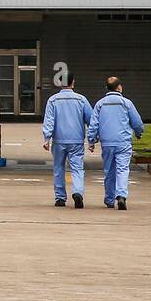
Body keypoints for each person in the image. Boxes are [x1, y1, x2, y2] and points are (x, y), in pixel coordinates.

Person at [87, 76, 145, 211]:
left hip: (107, 143)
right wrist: (138, 132)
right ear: (119, 87)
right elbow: (137, 122)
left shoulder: (100, 104)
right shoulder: (127, 103)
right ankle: (121, 195)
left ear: (106, 88)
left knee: (109, 171)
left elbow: (93, 124)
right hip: (123, 142)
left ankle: (109, 199)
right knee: (123, 169)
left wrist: (91, 140)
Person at [41, 74, 93, 208]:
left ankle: (60, 198)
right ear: (73, 82)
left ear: (59, 83)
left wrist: (47, 138)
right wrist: (92, 139)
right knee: (77, 168)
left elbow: (49, 120)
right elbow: (91, 120)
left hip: (58, 140)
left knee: (58, 168)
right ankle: (77, 192)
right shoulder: (81, 100)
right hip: (76, 140)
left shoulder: (53, 100)